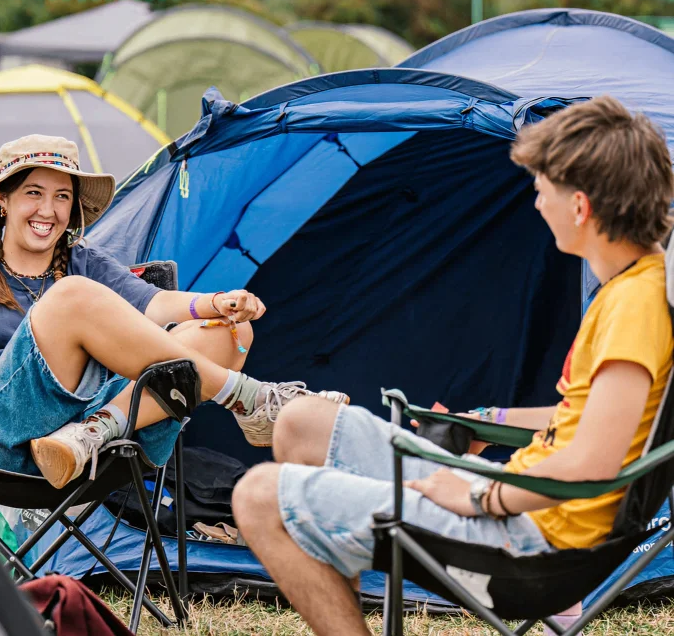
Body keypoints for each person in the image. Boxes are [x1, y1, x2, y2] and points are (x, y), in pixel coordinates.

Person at [231, 96, 674, 636]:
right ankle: (342, 532)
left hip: (530, 543)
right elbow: (586, 419)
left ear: (580, 206)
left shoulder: (635, 305)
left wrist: (475, 495)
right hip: (523, 504)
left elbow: (592, 465)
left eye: (541, 190)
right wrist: (483, 420)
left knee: (257, 496)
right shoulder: (629, 291)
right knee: (300, 423)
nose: (536, 204)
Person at [0, 135, 348, 489]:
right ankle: (251, 399)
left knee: (228, 333)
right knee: (70, 297)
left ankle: (95, 429)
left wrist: (219, 303)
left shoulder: (86, 262)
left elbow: (156, 304)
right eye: (34, 192)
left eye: (62, 196)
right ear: (3, 201)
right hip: (0, 446)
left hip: (91, 449)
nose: (48, 210)